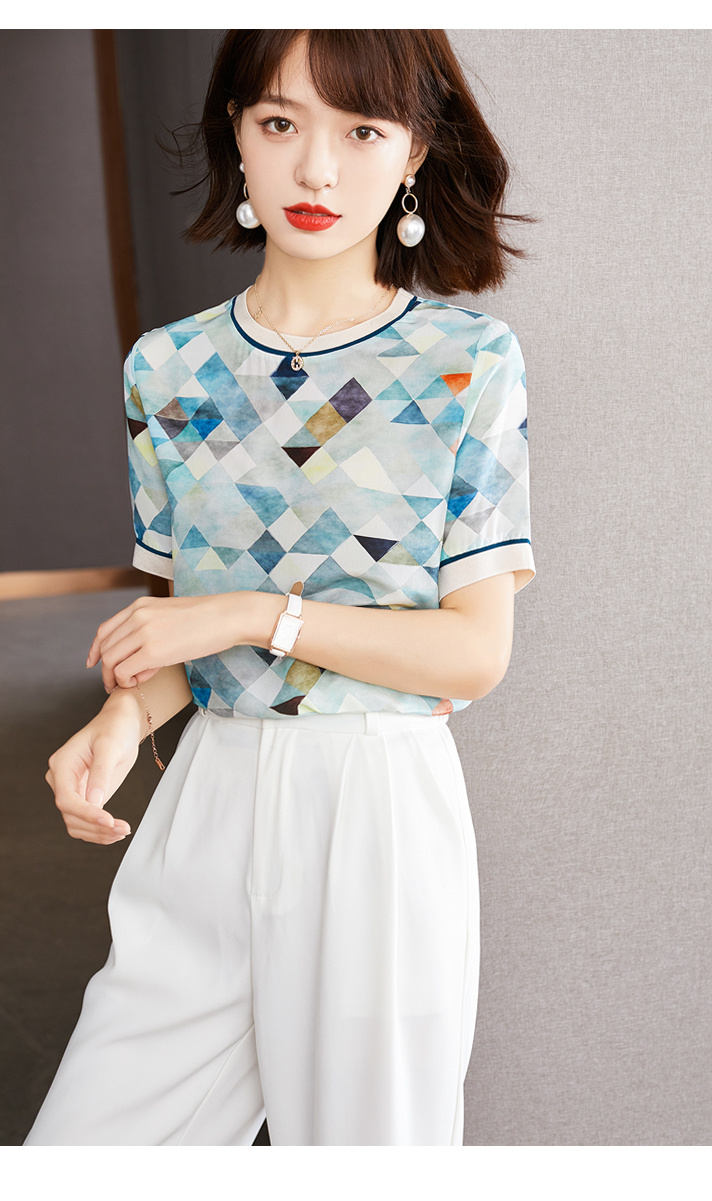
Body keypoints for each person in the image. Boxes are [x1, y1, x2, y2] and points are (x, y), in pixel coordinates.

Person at [25, 29, 536, 1147]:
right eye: (279, 122)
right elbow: (183, 633)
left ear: (414, 153)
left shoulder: (466, 363)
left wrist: (259, 614)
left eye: (362, 131)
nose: (315, 168)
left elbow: (474, 653)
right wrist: (124, 718)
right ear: (238, 136)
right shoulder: (167, 368)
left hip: (375, 811)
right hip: (207, 801)